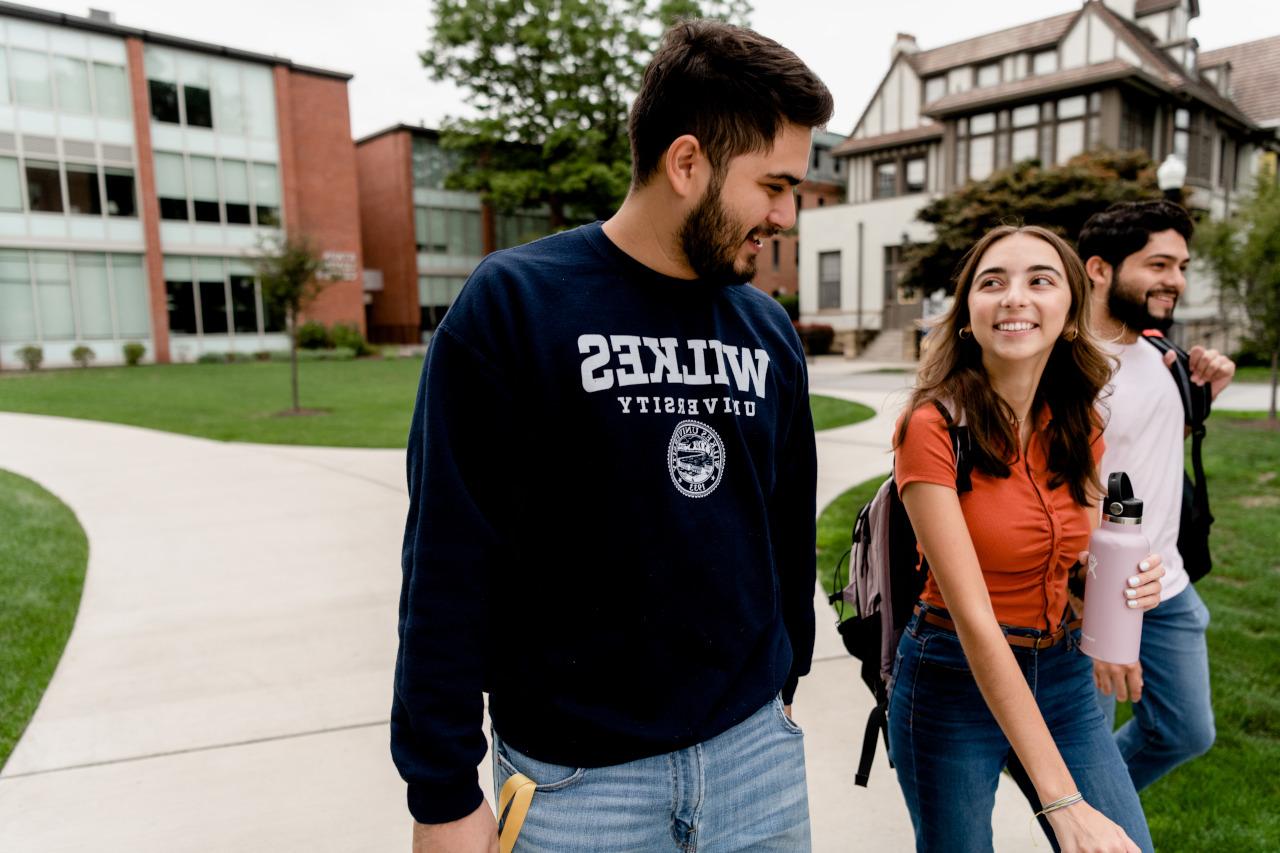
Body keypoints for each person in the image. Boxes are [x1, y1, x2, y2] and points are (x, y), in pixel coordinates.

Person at [391, 20, 834, 853]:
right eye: (773, 185)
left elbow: (785, 531)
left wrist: (785, 683)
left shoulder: (767, 331)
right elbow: (447, 564)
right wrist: (441, 792)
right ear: (687, 162)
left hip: (755, 763)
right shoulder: (513, 308)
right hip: (575, 786)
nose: (786, 214)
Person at [887, 225, 1166, 853]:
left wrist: (1122, 586)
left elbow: (1078, 561)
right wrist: (1061, 801)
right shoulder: (930, 427)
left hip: (1062, 672)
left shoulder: (1080, 423)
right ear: (968, 318)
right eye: (993, 283)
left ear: (1069, 313)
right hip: (952, 679)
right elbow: (976, 621)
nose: (1014, 296)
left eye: (1040, 280)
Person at [1076, 200, 1234, 790]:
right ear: (1098, 269)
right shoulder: (1067, 366)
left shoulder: (1162, 354)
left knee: (1187, 731)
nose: (1176, 281)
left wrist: (1205, 391)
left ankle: (1087, 806)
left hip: (1169, 587)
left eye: (1182, 266)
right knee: (1084, 755)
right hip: (1092, 590)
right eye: (1159, 264)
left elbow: (1145, 448)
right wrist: (1101, 608)